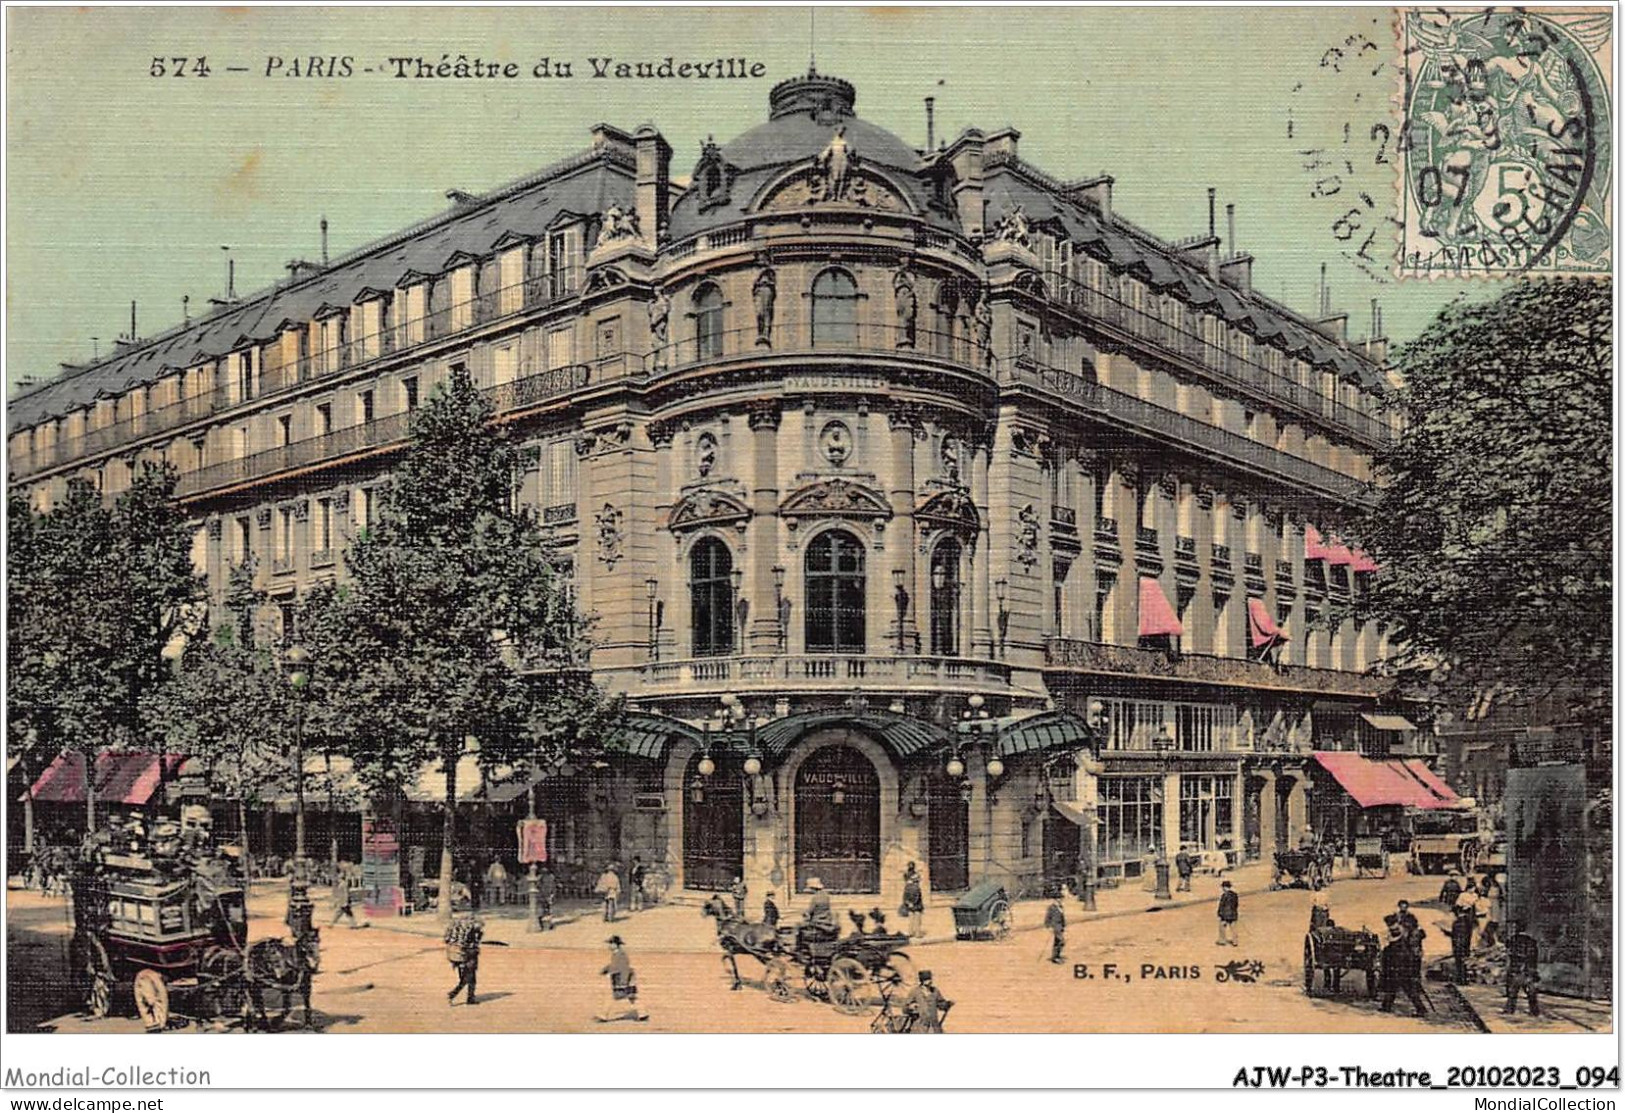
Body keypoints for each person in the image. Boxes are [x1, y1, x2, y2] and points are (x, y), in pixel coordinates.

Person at [1379, 915, 1428, 1016]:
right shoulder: (1401, 936)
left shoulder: (1398, 939)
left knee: (1407, 988)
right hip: (1400, 966)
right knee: (1393, 987)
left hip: (1401, 966)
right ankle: (1386, 1006)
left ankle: (1421, 1009)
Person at [597, 935, 647, 1022]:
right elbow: (614, 965)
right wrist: (605, 969)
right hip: (623, 979)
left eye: (611, 943)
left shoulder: (621, 955)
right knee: (632, 997)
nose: (609, 945)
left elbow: (624, 968)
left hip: (622, 979)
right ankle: (643, 1014)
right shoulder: (617, 954)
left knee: (613, 997)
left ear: (616, 945)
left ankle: (603, 1016)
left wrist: (624, 982)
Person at [445, 913, 484, 1006]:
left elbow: (446, 939)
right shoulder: (472, 929)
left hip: (454, 954)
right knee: (469, 977)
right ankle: (454, 994)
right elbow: (472, 943)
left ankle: (470, 997)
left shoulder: (454, 925)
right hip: (468, 954)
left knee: (465, 977)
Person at [1504, 922, 1541, 1017]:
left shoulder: (1513, 940)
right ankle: (1534, 1011)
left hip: (1516, 968)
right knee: (1531, 991)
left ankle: (1510, 1010)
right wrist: (1534, 969)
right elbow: (1534, 957)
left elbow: (1509, 953)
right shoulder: (1532, 941)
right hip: (1528, 969)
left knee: (1513, 991)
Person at [903, 969, 953, 1033]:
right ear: (922, 981)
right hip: (920, 1026)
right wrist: (911, 1007)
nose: (929, 981)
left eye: (929, 979)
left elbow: (940, 1004)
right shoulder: (915, 992)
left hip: (934, 1026)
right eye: (926, 979)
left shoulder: (935, 991)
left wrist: (947, 1004)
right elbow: (904, 1009)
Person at [901, 862, 925, 938]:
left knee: (911, 919)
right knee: (917, 920)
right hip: (917, 905)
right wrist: (914, 903)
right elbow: (917, 896)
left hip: (910, 905)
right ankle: (917, 933)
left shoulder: (907, 887)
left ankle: (910, 932)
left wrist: (908, 903)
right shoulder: (916, 887)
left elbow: (904, 897)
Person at [1044, 895, 1067, 964]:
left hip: (1060, 926)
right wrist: (1048, 926)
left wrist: (1064, 925)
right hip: (1055, 926)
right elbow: (1047, 917)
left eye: (1060, 899)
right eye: (1058, 899)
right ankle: (1055, 957)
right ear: (1054, 900)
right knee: (1061, 941)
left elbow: (1062, 917)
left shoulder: (1061, 907)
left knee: (1057, 942)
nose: (1059, 900)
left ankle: (1056, 956)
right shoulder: (1051, 907)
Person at [1216, 880, 1239, 946]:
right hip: (1233, 913)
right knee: (1233, 928)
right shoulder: (1235, 894)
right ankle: (1235, 941)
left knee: (1222, 927)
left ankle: (1222, 940)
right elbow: (1236, 904)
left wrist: (1219, 913)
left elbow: (1221, 905)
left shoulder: (1224, 895)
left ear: (1225, 887)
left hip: (1225, 914)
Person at [536, 865, 557, 931]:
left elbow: (538, 886)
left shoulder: (541, 877)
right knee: (547, 909)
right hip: (547, 895)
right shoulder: (551, 877)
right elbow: (553, 887)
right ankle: (548, 923)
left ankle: (545, 923)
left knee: (545, 909)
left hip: (544, 895)